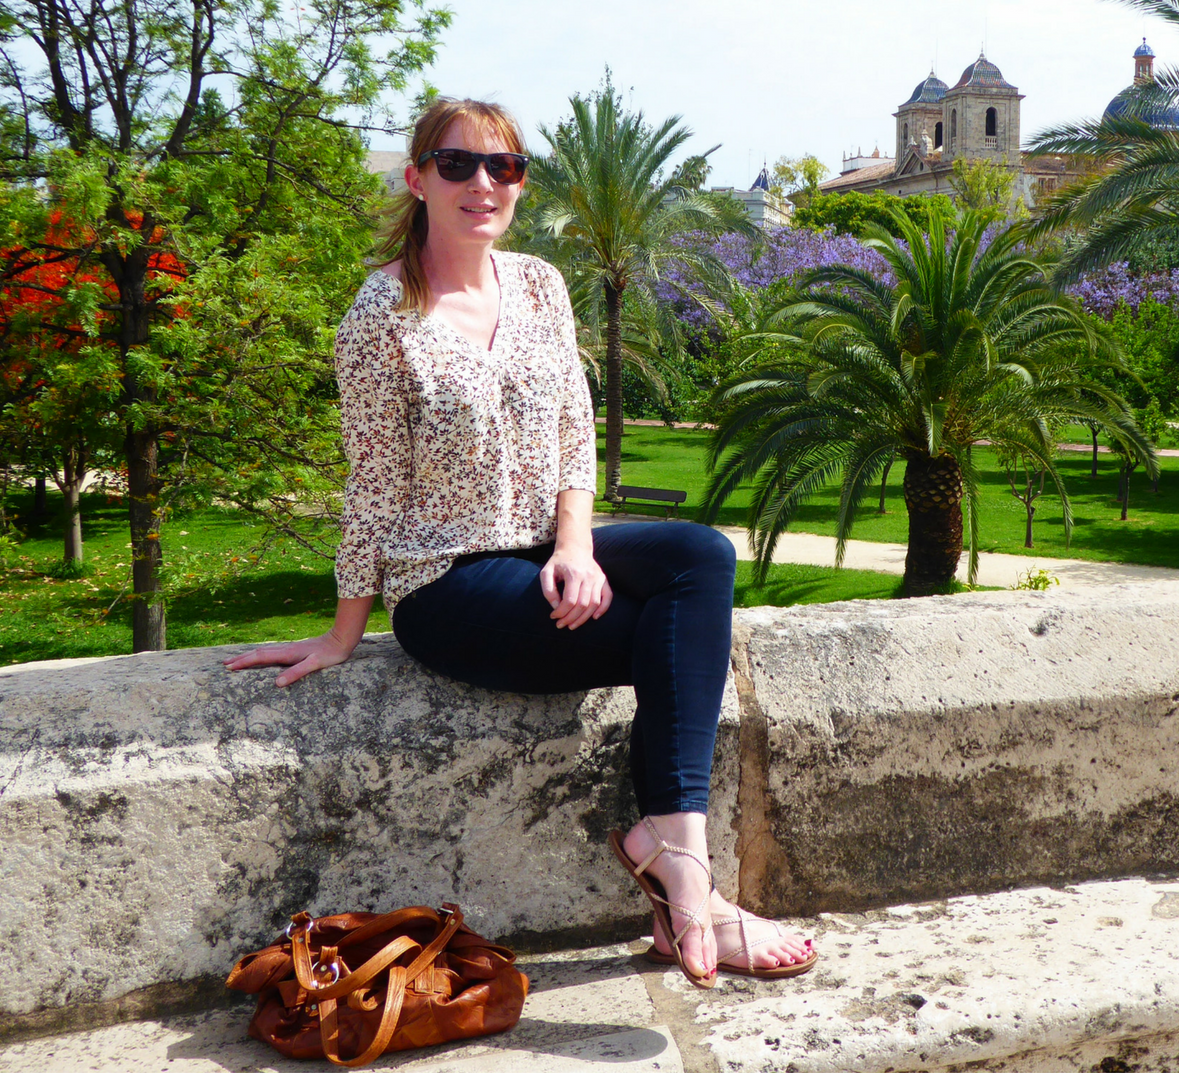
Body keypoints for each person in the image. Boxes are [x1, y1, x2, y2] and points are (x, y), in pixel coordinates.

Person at [225, 97, 815, 987]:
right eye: (458, 165)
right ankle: (689, 882)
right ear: (418, 177)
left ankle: (673, 855)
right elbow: (374, 481)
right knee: (676, 642)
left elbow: (574, 432)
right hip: (450, 584)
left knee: (699, 558)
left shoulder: (540, 283)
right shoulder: (379, 313)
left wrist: (575, 546)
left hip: (544, 555)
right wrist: (345, 631)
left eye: (503, 166)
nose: (482, 184)